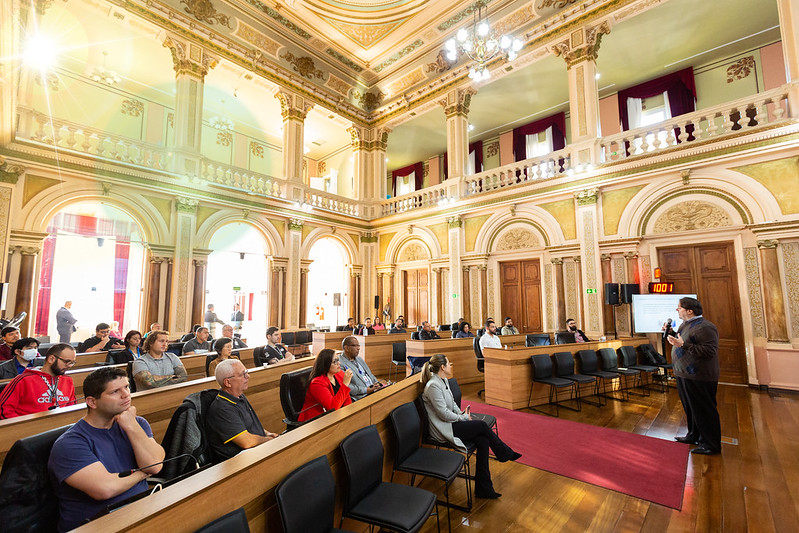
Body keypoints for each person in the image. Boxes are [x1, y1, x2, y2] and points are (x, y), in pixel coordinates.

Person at [48, 366, 165, 531]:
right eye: (115, 391)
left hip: (139, 513)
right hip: (97, 525)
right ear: (92, 402)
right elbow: (105, 489)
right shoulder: (70, 443)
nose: (126, 395)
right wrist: (143, 472)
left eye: (126, 387)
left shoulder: (136, 423)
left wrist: (131, 426)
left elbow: (155, 464)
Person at [420, 353, 521, 499]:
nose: (450, 366)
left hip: (452, 423)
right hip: (444, 429)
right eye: (449, 364)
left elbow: (452, 404)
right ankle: (504, 452)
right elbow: (443, 414)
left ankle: (483, 488)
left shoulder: (443, 380)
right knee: (481, 425)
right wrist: (463, 418)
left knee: (483, 440)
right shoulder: (433, 386)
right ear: (442, 367)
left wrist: (461, 414)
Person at [667, 297, 721, 455]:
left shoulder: (706, 327)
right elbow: (684, 341)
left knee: (704, 410)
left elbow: (709, 351)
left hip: (699, 375)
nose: (677, 310)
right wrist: (670, 333)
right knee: (691, 408)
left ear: (689, 310)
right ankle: (693, 435)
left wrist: (683, 345)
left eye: (679, 307)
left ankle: (711, 444)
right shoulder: (685, 324)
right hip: (683, 373)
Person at [206, 359, 278, 461]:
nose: (248, 376)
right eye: (242, 374)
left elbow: (250, 424)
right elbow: (246, 442)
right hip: (237, 463)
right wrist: (269, 440)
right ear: (228, 382)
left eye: (246, 372)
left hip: (255, 452)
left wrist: (266, 433)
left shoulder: (239, 396)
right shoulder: (222, 408)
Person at [0, 343, 78, 419]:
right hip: (30, 428)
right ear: (51, 359)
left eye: (72, 363)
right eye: (67, 362)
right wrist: (24, 426)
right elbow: (3, 409)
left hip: (58, 428)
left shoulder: (67, 380)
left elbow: (71, 409)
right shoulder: (23, 380)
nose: (70, 366)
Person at [298, 348, 353, 422]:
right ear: (326, 364)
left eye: (338, 360)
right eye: (335, 362)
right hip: (316, 420)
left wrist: (350, 414)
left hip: (335, 416)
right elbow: (332, 408)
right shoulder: (317, 383)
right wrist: (345, 384)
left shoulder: (339, 374)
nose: (339, 363)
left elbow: (347, 399)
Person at [340, 335, 385, 401]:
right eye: (355, 345)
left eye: (358, 345)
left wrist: (377, 383)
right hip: (361, 396)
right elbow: (346, 386)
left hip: (373, 390)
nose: (358, 348)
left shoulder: (359, 359)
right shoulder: (340, 363)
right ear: (346, 348)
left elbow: (370, 374)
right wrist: (365, 390)